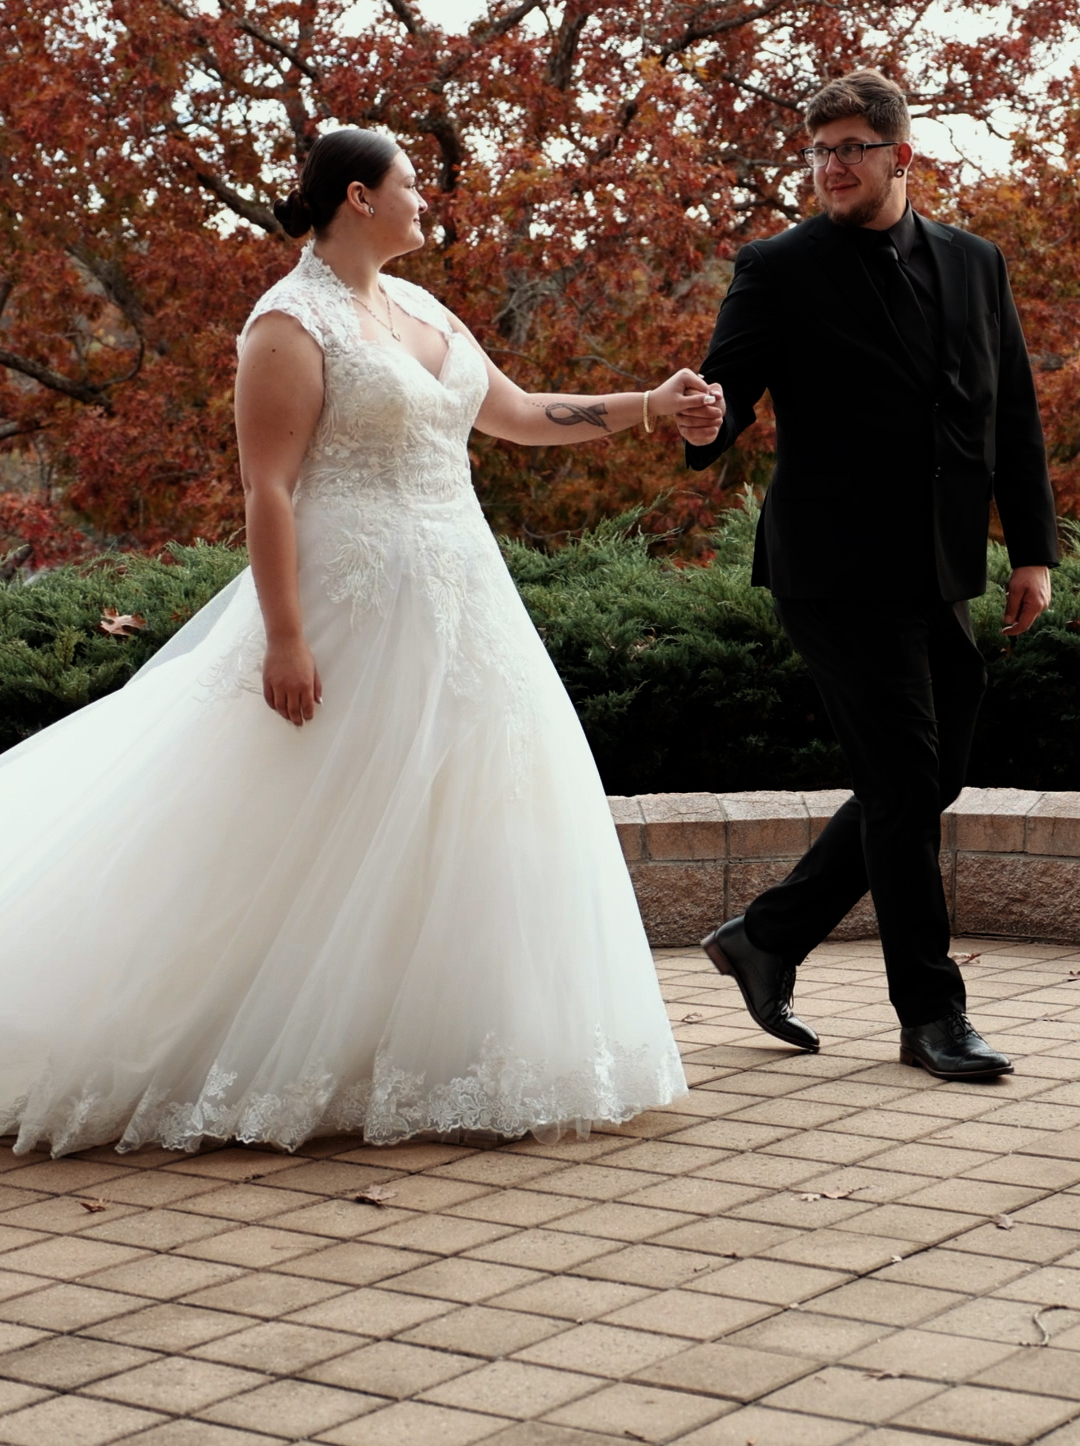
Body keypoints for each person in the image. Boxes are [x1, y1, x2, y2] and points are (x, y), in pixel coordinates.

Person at [0, 127, 721, 1156]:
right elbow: (269, 490)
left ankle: (432, 1049)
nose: (430, 202)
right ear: (357, 195)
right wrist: (284, 638)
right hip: (348, 605)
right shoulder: (288, 326)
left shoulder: (424, 308)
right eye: (412, 185)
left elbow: (515, 415)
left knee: (461, 810)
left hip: (463, 598)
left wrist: (652, 405)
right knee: (307, 817)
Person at [681, 68, 1057, 1080]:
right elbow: (725, 391)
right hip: (833, 568)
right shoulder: (779, 268)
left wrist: (1031, 548)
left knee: (930, 778)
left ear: (901, 155)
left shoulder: (976, 263)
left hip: (939, 567)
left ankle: (767, 937)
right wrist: (704, 419)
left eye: (850, 148)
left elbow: (1009, 409)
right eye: (818, 151)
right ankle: (932, 1016)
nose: (830, 167)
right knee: (902, 782)